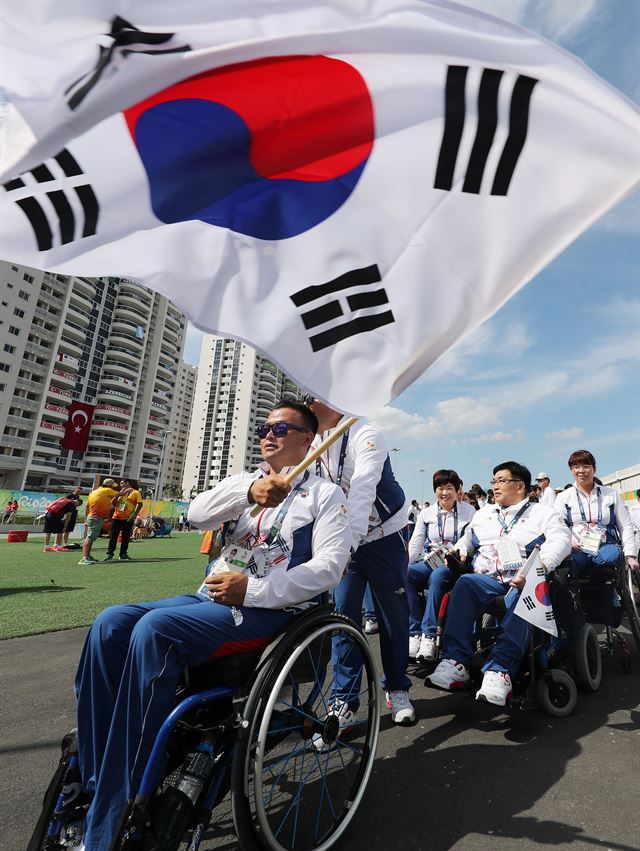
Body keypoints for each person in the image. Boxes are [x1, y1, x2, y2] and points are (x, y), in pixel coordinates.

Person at [72, 400, 351, 849]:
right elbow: (198, 514)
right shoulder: (245, 480)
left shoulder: (326, 495)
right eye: (265, 425)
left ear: (307, 439)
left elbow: (329, 570)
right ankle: (94, 774)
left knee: (156, 631)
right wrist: (250, 493)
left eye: (282, 427)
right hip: (210, 597)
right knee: (110, 623)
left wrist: (254, 591)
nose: (269, 432)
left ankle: (123, 797)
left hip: (269, 611)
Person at [426, 461, 571, 706]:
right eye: (493, 481)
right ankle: (456, 661)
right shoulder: (484, 515)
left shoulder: (542, 513)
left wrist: (539, 566)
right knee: (465, 583)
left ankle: (500, 668)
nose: (494, 486)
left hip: (523, 580)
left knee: (525, 588)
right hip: (489, 580)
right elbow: (466, 541)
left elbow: (561, 540)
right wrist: (459, 551)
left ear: (520, 486)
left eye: (501, 481)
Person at [309, 398, 414, 725]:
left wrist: (345, 546)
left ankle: (397, 688)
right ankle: (345, 699)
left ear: (334, 402)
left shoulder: (366, 433)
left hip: (384, 535)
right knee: (343, 615)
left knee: (393, 617)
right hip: (346, 539)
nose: (307, 404)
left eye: (313, 398)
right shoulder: (311, 442)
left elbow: (363, 489)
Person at [406, 469, 476, 662]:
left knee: (437, 577)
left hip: (454, 564)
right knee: (406, 575)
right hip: (431, 560)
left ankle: (428, 634)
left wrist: (460, 554)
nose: (444, 493)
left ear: (457, 490)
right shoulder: (426, 513)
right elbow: (416, 542)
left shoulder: (469, 512)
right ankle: (414, 633)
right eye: (440, 488)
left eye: (449, 488)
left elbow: (471, 540)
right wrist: (406, 563)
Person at [554, 450, 638, 576]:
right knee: (567, 563)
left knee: (609, 557)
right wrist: (568, 542)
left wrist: (630, 555)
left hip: (606, 546)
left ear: (594, 469)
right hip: (576, 548)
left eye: (586, 466)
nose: (581, 470)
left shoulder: (610, 494)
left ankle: (608, 593)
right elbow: (557, 525)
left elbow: (625, 525)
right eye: (576, 467)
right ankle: (573, 595)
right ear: (571, 470)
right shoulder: (564, 497)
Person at [78, 478, 119, 565]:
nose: (113, 488)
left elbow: (87, 507)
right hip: (96, 517)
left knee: (91, 538)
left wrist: (86, 518)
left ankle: (88, 556)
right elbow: (120, 494)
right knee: (89, 538)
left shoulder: (94, 492)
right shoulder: (107, 490)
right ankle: (84, 558)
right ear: (109, 486)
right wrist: (129, 490)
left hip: (92, 516)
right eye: (112, 486)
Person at [103, 479, 143, 562]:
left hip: (128, 518)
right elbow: (113, 503)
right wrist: (118, 494)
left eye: (122, 483)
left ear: (127, 483)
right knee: (113, 537)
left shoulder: (136, 492)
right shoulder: (119, 493)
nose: (120, 485)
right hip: (116, 517)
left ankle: (123, 554)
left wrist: (134, 515)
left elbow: (140, 504)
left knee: (125, 537)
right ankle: (109, 554)